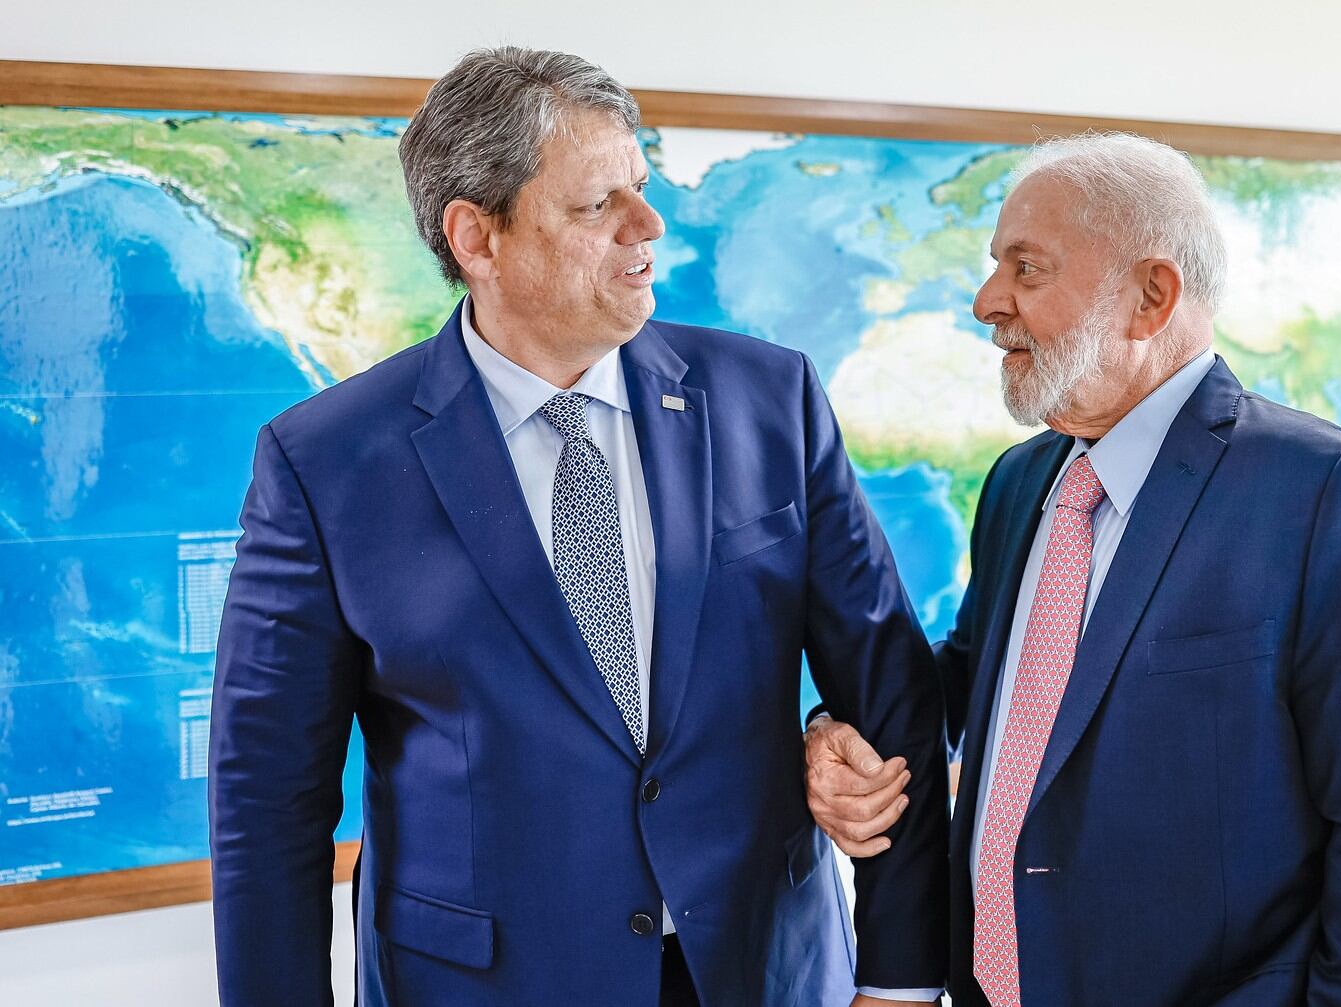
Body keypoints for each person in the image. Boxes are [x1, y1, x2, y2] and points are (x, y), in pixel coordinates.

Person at [208, 47, 948, 1007]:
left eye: (640, 189)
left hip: (764, 969)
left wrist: (897, 984)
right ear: (477, 237)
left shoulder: (772, 399)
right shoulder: (325, 463)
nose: (649, 225)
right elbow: (269, 801)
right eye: (599, 204)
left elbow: (887, 684)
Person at [805, 132, 1341, 1006]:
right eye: (993, 265)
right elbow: (977, 685)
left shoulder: (1328, 491)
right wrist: (838, 731)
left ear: (1150, 295)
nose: (986, 300)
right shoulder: (1021, 481)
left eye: (1027, 268)